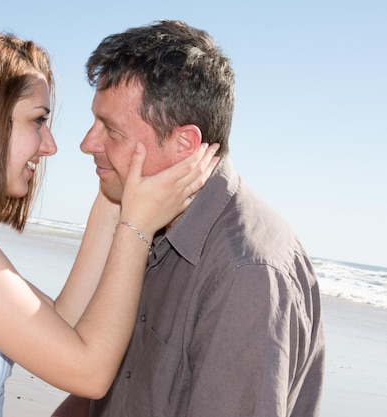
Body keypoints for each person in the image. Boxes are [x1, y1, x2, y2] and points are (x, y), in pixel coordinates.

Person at [0, 25, 219, 417]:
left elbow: (62, 323)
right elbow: (89, 372)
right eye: (37, 120)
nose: (49, 145)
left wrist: (114, 196)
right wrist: (136, 227)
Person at [53, 20, 325, 417]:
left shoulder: (246, 273)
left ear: (185, 143)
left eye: (110, 130)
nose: (86, 143)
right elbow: (115, 382)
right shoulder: (146, 218)